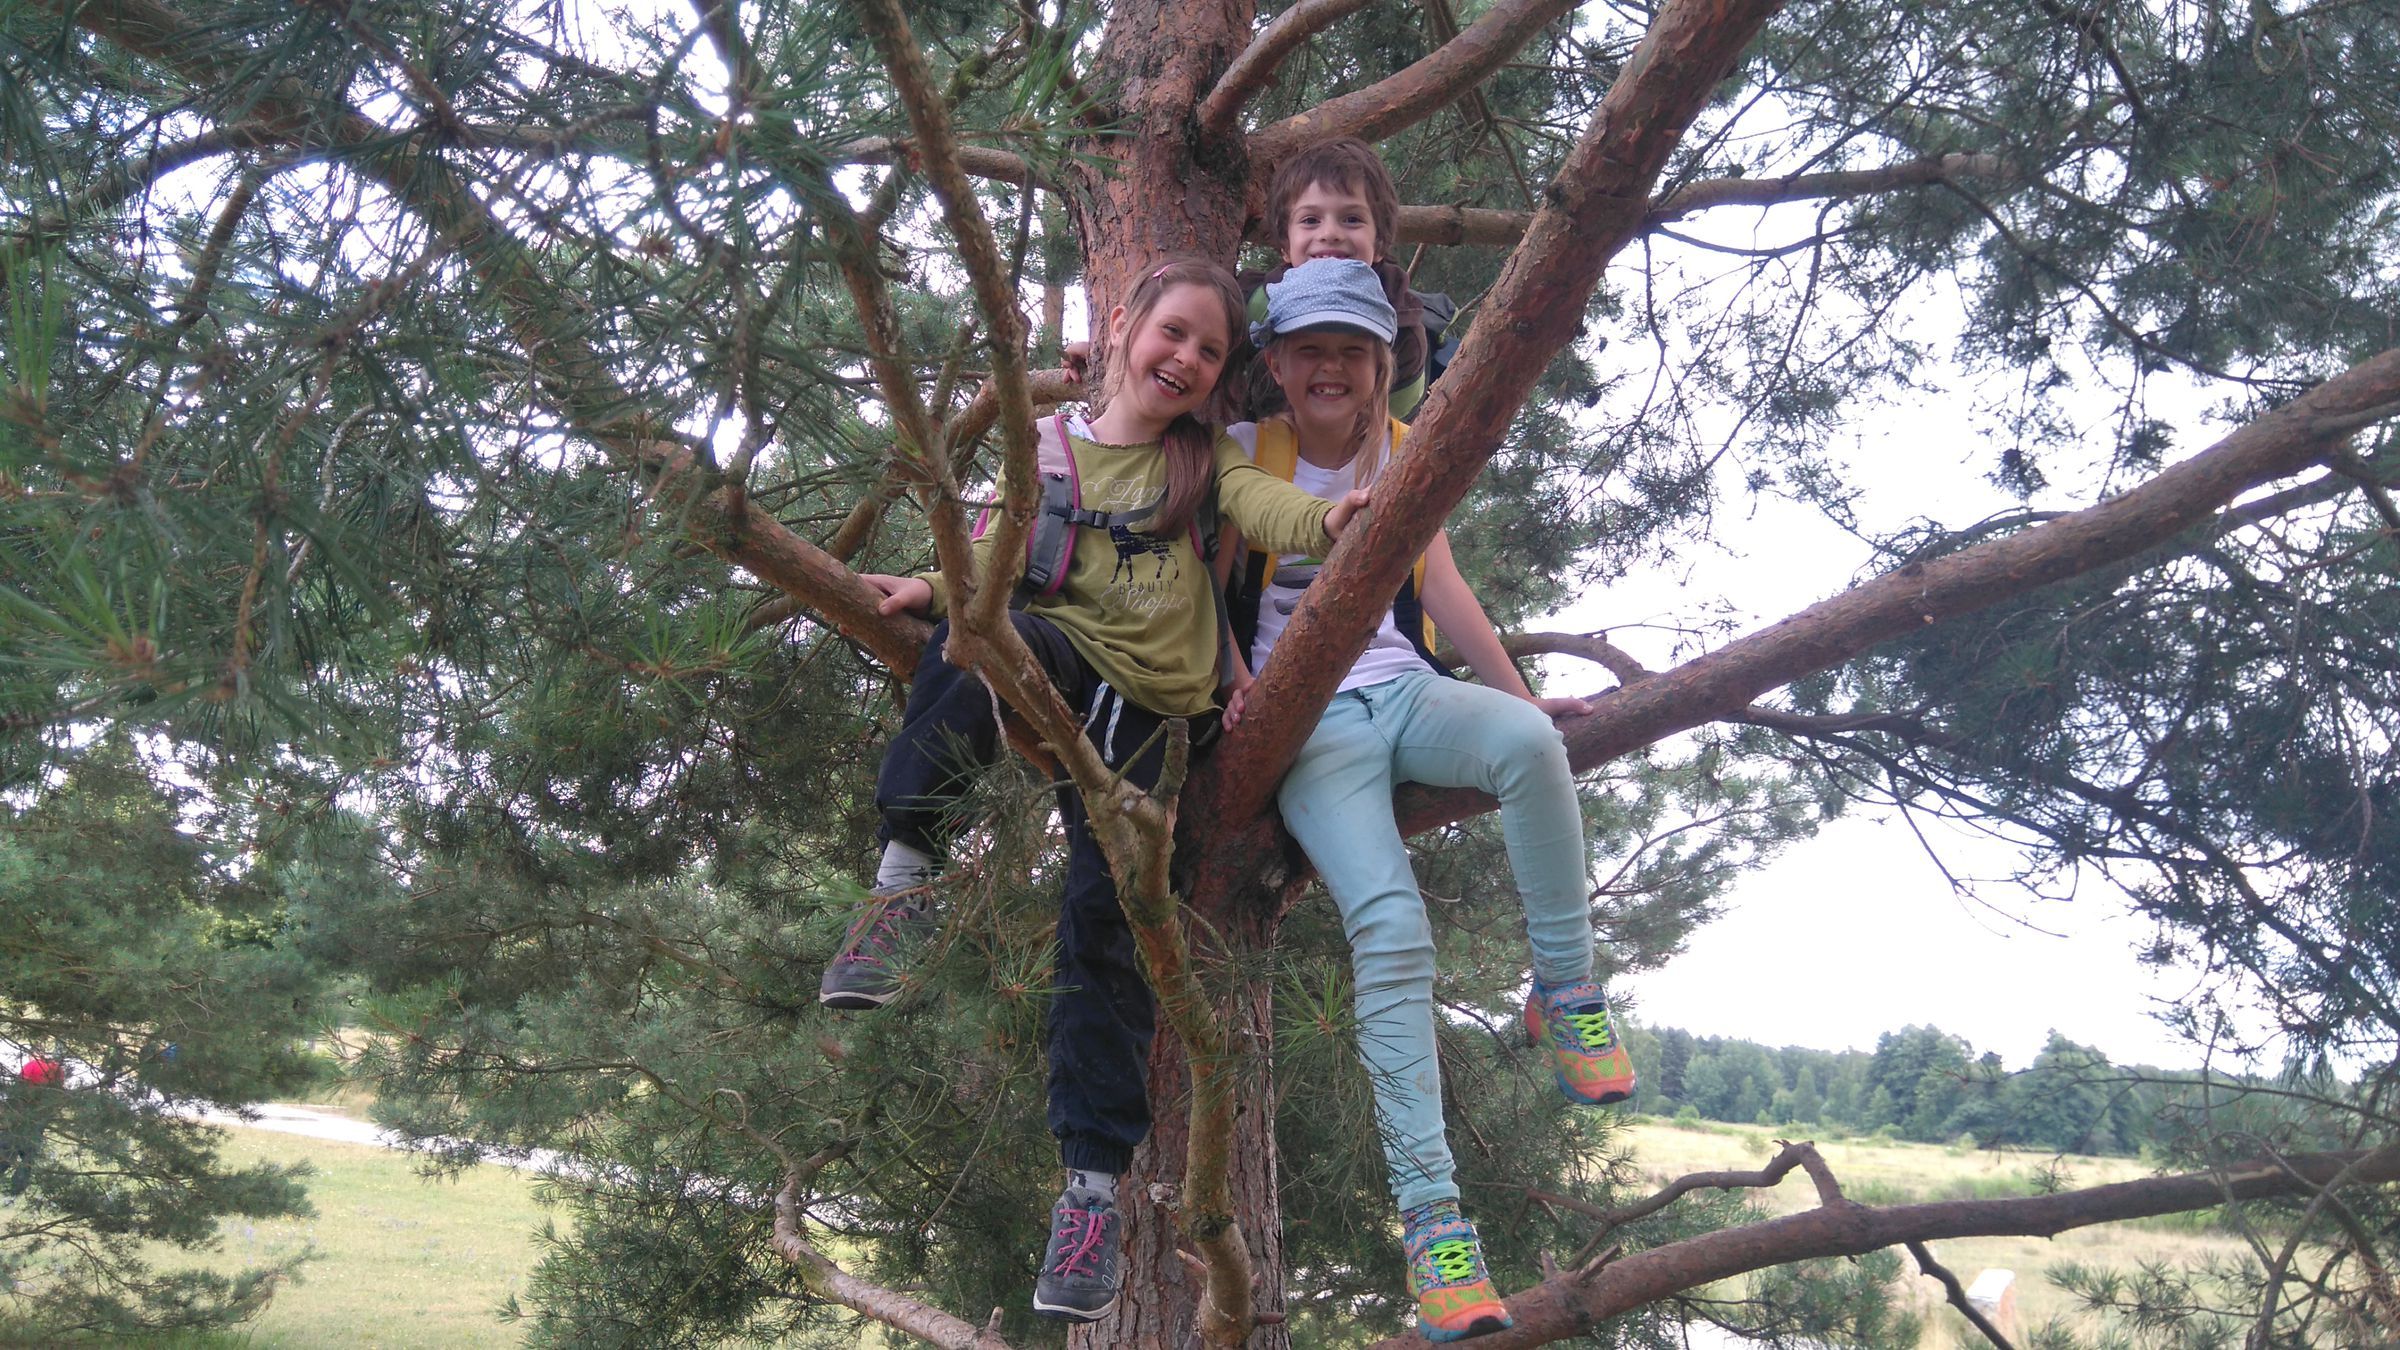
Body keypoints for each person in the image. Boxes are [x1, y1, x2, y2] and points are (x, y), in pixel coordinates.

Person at [816, 256, 1371, 1323]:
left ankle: (1088, 1196)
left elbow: (1268, 505)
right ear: (1124, 327)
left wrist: (1331, 522)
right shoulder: (1051, 453)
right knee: (976, 640)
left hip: (1152, 719)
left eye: (1211, 351)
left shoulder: (1200, 469)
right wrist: (929, 591)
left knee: (1103, 922)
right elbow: (991, 563)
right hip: (1057, 659)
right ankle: (904, 884)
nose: (1189, 359)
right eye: (1174, 334)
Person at [1223, 258, 1637, 1344]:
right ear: (1274, 362)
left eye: (1352, 352)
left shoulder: (1402, 452)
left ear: (1379, 368)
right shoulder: (1240, 456)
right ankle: (1434, 1225)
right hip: (1308, 732)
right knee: (1392, 928)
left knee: (1530, 746)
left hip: (1406, 690)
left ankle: (1563, 986)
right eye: (1310, 349)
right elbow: (1206, 592)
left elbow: (1442, 591)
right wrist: (1240, 700)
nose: (1330, 369)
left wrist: (1523, 698)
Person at [1240, 135, 1441, 421]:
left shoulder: (1405, 332)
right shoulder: (1258, 303)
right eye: (1310, 220)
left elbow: (1397, 432)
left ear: (1380, 242)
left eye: (1351, 219)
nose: (1330, 233)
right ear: (1285, 246)